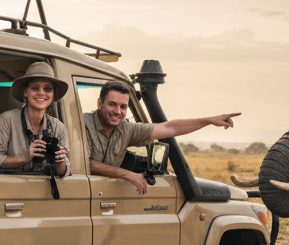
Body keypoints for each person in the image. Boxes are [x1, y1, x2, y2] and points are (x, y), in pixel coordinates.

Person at [84, 80, 240, 194]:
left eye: (123, 107)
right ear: (100, 104)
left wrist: (209, 120)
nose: (118, 111)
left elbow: (168, 127)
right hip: (80, 194)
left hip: (102, 196)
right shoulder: (81, 124)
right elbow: (84, 163)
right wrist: (127, 174)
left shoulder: (126, 129)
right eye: (112, 104)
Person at [0, 61, 70, 177]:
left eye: (48, 89)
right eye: (35, 88)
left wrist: (59, 161)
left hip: (45, 192)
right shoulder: (6, 120)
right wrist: (25, 157)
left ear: (53, 94)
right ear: (25, 92)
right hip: (10, 190)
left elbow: (64, 172)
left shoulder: (58, 127)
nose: (41, 93)